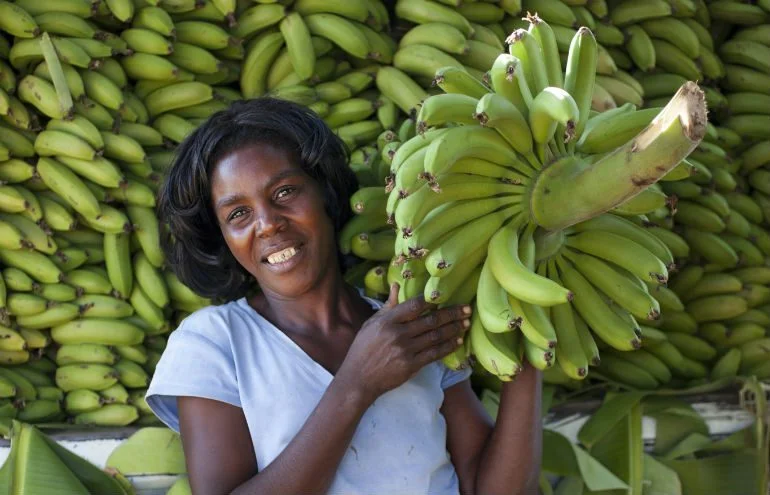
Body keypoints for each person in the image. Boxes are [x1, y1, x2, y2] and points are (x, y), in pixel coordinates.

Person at [146, 97, 543, 495]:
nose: (267, 224)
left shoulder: (411, 319)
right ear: (223, 238)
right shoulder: (214, 343)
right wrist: (358, 382)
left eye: (284, 192)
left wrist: (529, 333)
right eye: (238, 214)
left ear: (325, 192)